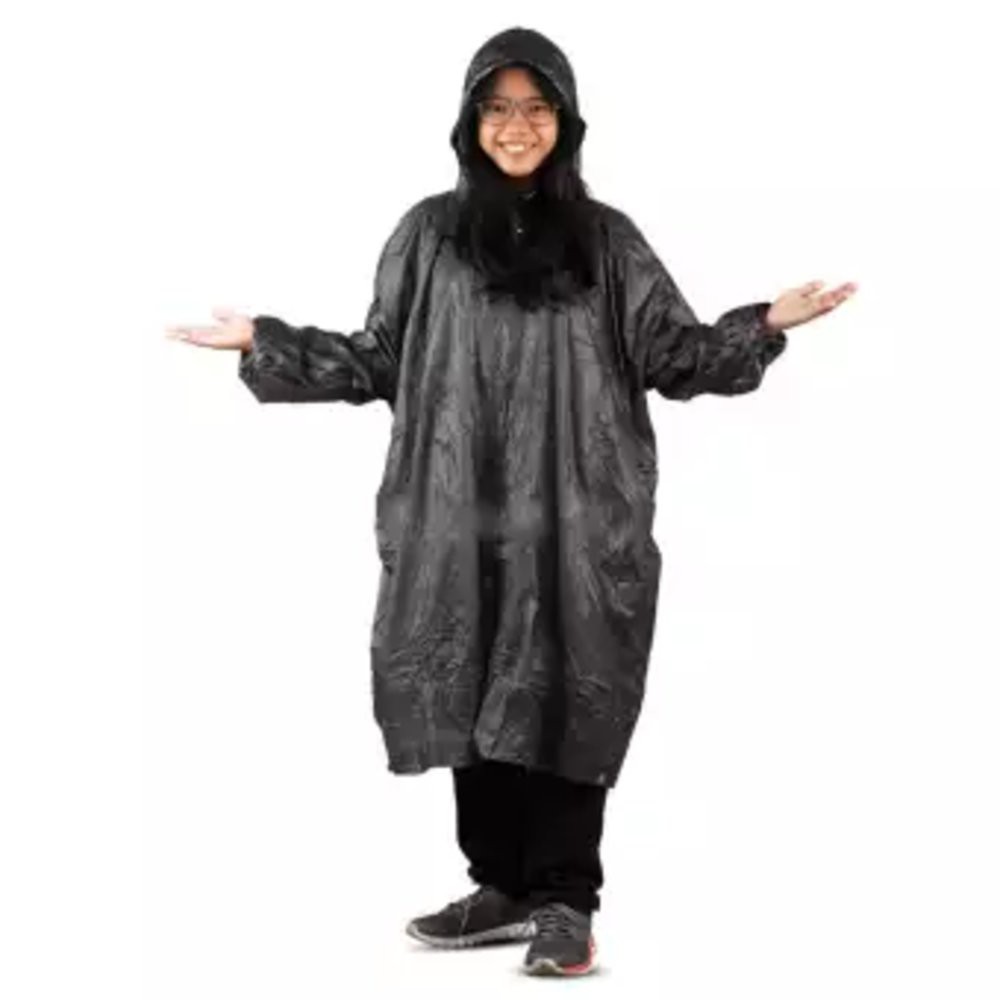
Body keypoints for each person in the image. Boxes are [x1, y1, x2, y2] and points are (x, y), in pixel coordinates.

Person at [165, 25, 857, 978]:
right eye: (498, 109)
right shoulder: (429, 235)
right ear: (470, 121)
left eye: (536, 109)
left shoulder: (607, 242)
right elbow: (378, 357)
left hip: (579, 516)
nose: (517, 127)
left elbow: (676, 354)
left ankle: (566, 900)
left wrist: (765, 323)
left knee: (572, 685)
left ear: (565, 122)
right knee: (466, 671)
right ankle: (501, 887)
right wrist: (267, 342)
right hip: (457, 510)